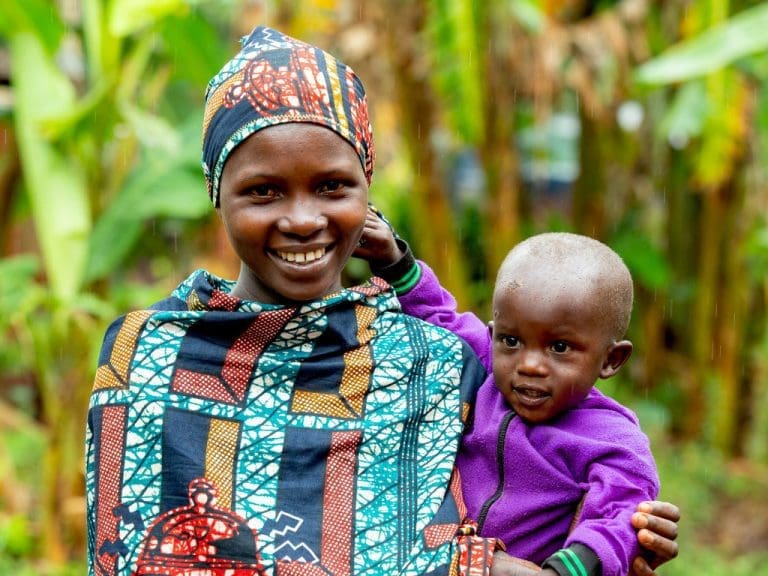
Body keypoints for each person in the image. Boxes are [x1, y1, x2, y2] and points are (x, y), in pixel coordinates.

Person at [85, 25, 678, 576]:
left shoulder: (436, 364)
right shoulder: (148, 355)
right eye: (263, 192)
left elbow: (479, 518)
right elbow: (130, 547)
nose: (301, 219)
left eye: (331, 186)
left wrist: (621, 543)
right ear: (218, 195)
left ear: (367, 187)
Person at [358, 218, 671, 576]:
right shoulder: (485, 368)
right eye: (511, 340)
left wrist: (564, 570)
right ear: (493, 336)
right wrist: (395, 261)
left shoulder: (612, 439)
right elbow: (438, 316)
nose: (530, 365)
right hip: (442, 561)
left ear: (611, 359)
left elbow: (620, 514)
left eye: (559, 347)